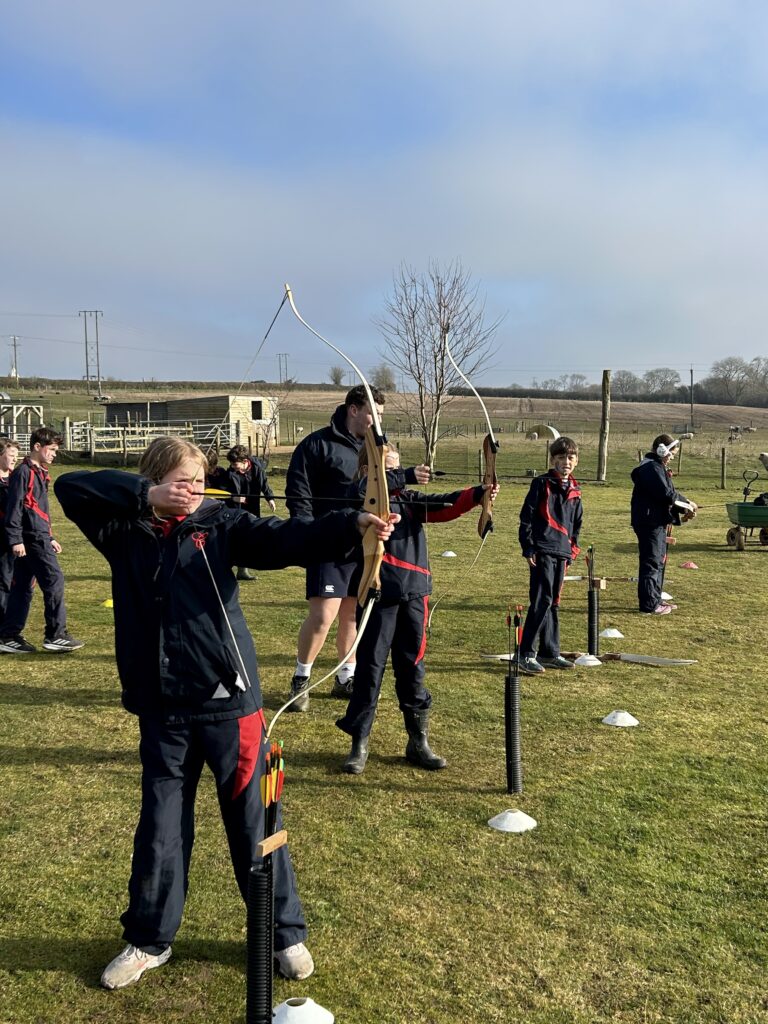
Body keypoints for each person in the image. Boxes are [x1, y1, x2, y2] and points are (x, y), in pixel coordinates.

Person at [54, 436, 395, 991]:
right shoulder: (122, 530)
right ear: (158, 479)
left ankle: (283, 932)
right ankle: (148, 939)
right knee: (161, 827)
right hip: (162, 709)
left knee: (256, 820)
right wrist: (146, 496)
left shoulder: (220, 525)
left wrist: (355, 524)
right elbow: (70, 486)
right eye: (183, 480)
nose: (194, 489)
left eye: (198, 479)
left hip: (230, 705)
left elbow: (288, 538)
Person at [335, 447, 499, 774]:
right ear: (369, 471)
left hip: (414, 595)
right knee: (369, 670)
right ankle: (359, 743)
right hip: (378, 593)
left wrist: (479, 495)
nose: (395, 475)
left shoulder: (409, 502)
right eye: (388, 470)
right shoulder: (361, 502)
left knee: (413, 668)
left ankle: (417, 741)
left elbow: (445, 504)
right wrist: (406, 474)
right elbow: (363, 493)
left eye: (397, 468)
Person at [285, 384, 386, 709]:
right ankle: (301, 678)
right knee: (323, 615)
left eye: (381, 415)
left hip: (363, 543)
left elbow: (384, 485)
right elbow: (298, 492)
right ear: (353, 410)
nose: (377, 421)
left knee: (352, 615)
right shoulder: (316, 444)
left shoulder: (375, 446)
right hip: (327, 540)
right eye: (373, 413)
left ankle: (346, 677)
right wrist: (306, 531)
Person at [0, 427, 84, 654]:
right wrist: (16, 539)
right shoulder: (23, 473)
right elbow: (15, 508)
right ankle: (55, 634)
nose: (55, 454)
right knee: (54, 580)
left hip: (39, 537)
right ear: (38, 447)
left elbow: (38, 509)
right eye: (52, 449)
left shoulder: (40, 472)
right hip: (31, 539)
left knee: (23, 588)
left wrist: (51, 536)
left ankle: (8, 635)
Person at [518, 436, 582, 676]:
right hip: (542, 549)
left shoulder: (575, 490)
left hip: (562, 552)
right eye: (561, 458)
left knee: (554, 602)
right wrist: (529, 547)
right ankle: (525, 653)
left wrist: (572, 551)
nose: (566, 462)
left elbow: (577, 525)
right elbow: (527, 516)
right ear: (553, 459)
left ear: (576, 461)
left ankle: (550, 652)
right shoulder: (541, 483)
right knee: (541, 600)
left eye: (570, 458)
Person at [631, 434, 697, 614]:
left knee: (658, 561)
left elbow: (670, 493)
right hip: (649, 522)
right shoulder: (651, 468)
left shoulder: (656, 467)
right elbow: (666, 494)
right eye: (671, 453)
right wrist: (687, 505)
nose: (672, 457)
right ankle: (649, 605)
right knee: (651, 563)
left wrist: (687, 503)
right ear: (661, 450)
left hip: (656, 521)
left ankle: (656, 598)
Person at [220, 444, 277, 581]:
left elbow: (264, 484)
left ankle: (242, 570)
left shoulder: (257, 469)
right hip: (235, 508)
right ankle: (226, 567)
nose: (233, 466)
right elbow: (222, 492)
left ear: (246, 462)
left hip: (252, 507)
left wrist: (270, 498)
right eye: (232, 464)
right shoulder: (230, 474)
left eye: (235, 464)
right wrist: (233, 497)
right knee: (234, 537)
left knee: (250, 535)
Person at [0, 438, 22, 620]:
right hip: (2, 538)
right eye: (11, 455)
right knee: (3, 581)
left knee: (15, 581)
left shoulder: (16, 478)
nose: (15, 458)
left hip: (16, 539)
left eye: (17, 455)